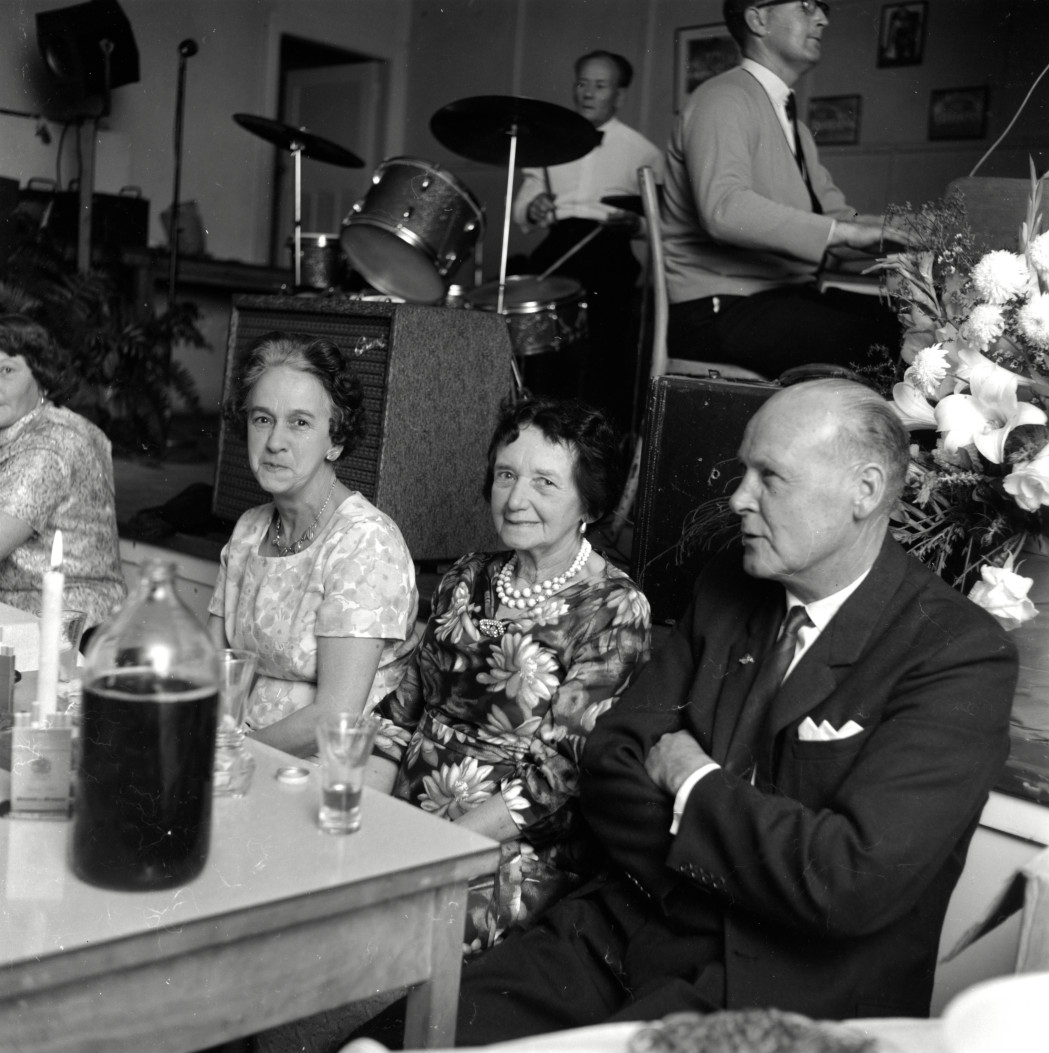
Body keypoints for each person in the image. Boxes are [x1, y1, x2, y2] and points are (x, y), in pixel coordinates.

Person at [351, 378, 1018, 1048]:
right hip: (620, 926)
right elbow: (610, 764)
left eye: (769, 477)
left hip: (775, 980)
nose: (736, 498)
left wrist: (693, 781)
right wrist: (747, 837)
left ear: (865, 490)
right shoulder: (729, 585)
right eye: (741, 470)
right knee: (390, 1042)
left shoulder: (955, 653)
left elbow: (846, 878)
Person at [370, 396, 651, 952]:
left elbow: (561, 778)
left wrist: (429, 850)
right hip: (405, 818)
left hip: (508, 847)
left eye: (545, 483)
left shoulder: (613, 609)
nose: (516, 498)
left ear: (588, 502)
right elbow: (402, 711)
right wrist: (369, 818)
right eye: (505, 475)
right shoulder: (467, 575)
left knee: (393, 938)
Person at [662, 0, 909, 377]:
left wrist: (903, 234)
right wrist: (848, 231)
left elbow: (834, 219)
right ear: (758, 19)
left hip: (773, 299)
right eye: (808, 6)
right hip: (717, 309)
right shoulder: (723, 98)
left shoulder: (791, 123)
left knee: (905, 327)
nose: (823, 19)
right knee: (886, 344)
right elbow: (723, 209)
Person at [207, 332, 418, 758]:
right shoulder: (250, 529)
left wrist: (230, 757)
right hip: (237, 747)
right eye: (262, 419)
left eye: (300, 423)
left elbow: (335, 715)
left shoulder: (365, 542)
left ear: (335, 441)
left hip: (329, 761)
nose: (274, 442)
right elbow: (211, 668)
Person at [511, 51, 663, 429]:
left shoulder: (643, 151)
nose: (587, 93)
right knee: (547, 354)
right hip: (558, 245)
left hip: (609, 249)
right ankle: (541, 428)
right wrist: (534, 208)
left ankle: (594, 439)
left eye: (600, 85)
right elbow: (524, 205)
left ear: (620, 95)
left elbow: (658, 223)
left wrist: (635, 224)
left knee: (604, 355)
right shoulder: (550, 141)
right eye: (582, 84)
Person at [0, 314, 124, 632]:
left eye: (6, 370)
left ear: (41, 377)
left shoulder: (48, 445)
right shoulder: (30, 426)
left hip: (69, 629)